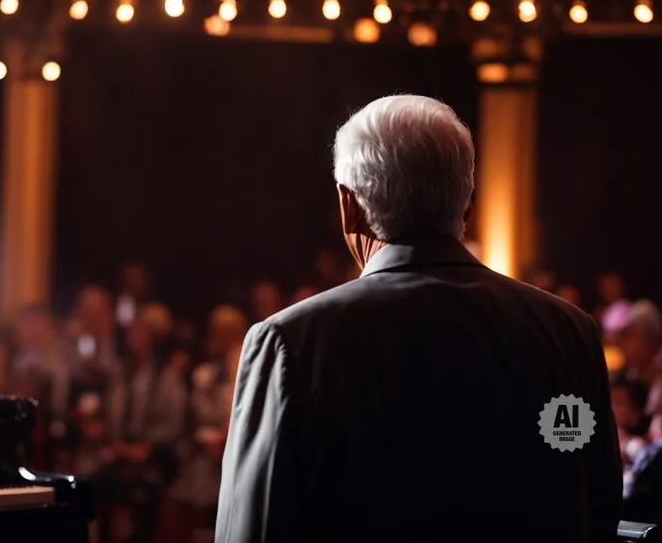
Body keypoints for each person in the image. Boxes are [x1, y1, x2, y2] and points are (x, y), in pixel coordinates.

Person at [216, 95, 621, 542]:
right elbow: (596, 511)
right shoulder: (568, 332)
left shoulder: (291, 343)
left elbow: (252, 528)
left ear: (348, 205)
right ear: (468, 204)